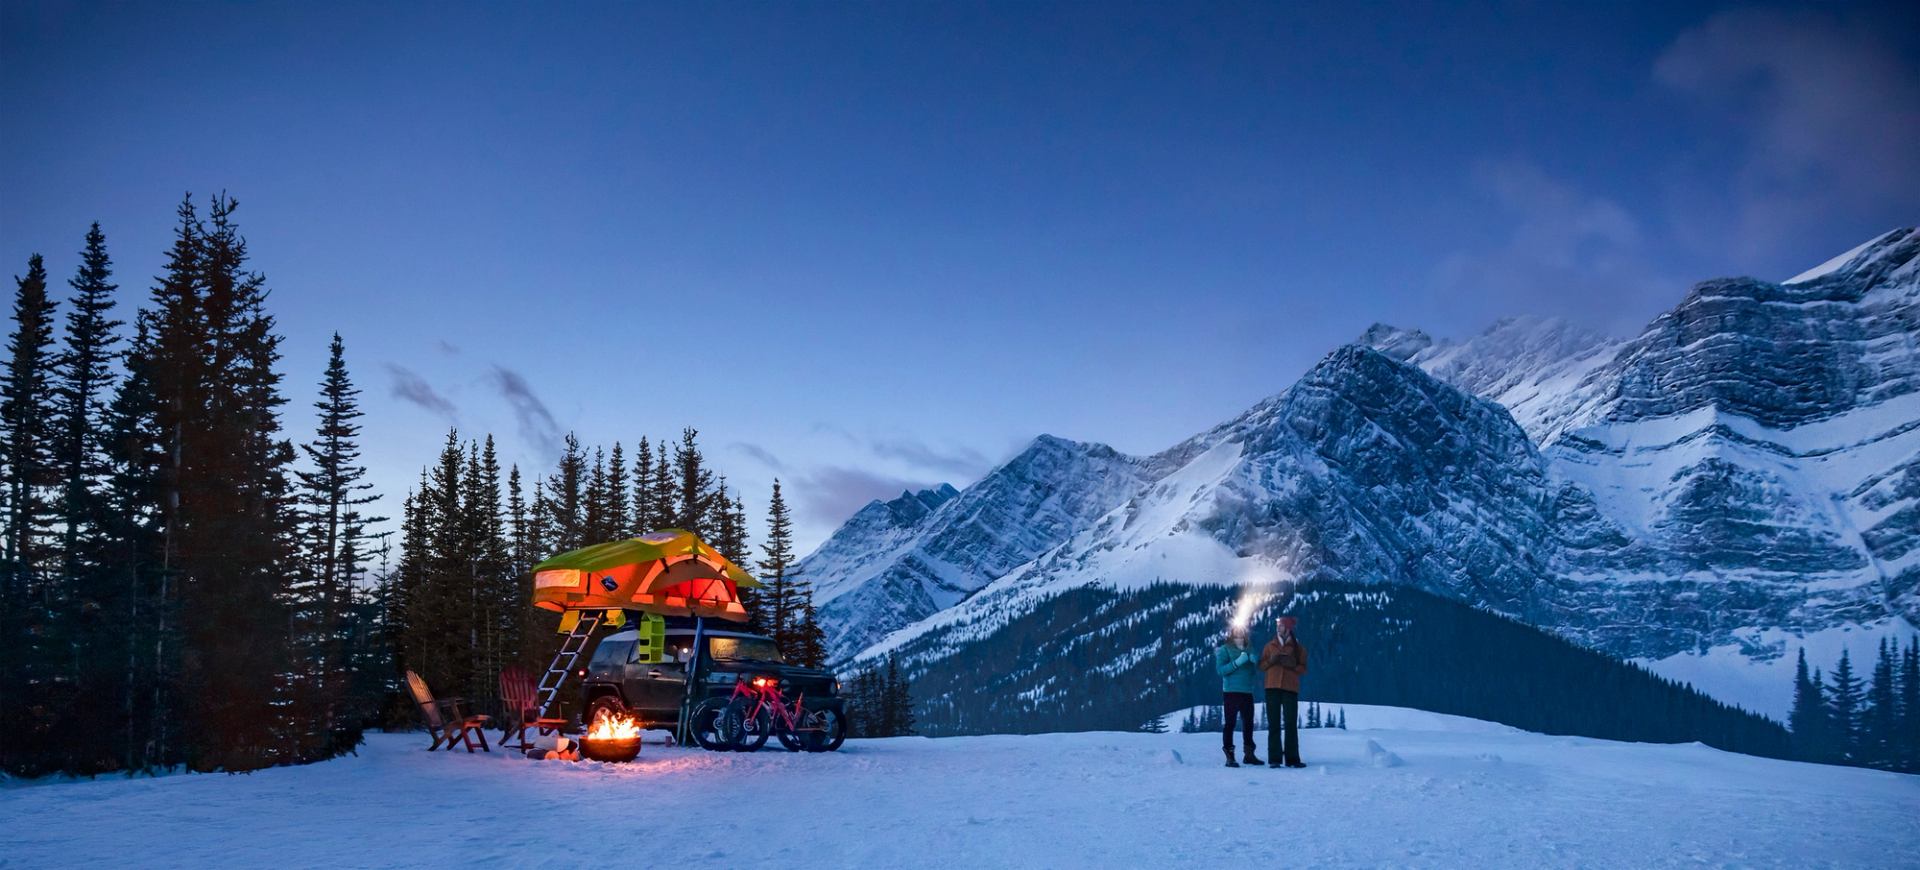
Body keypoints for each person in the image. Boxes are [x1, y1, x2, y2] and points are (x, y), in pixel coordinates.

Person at [1259, 615, 1309, 768]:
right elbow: (1261, 666)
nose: (1278, 628)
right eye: (1278, 626)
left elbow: (1304, 669)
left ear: (1288, 628)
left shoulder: (1298, 648)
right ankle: (1274, 759)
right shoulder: (1269, 646)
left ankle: (1292, 759)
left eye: (1281, 626)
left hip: (1290, 688)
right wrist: (1271, 661)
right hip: (1272, 687)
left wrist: (1293, 665)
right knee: (1273, 723)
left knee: (1290, 724)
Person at [1213, 624, 1263, 767]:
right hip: (1231, 692)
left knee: (1248, 723)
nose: (1239, 632)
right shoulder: (1224, 650)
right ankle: (1230, 756)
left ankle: (1249, 754)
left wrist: (1255, 662)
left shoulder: (1249, 648)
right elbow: (1220, 671)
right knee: (1230, 723)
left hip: (1247, 691)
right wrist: (1236, 663)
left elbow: (1254, 671)